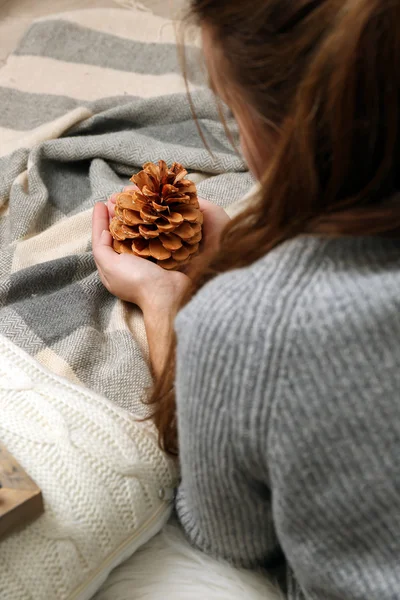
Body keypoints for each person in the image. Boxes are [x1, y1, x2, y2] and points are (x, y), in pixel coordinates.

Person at [92, 0, 400, 598]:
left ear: (283, 126)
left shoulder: (248, 329)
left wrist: (165, 301)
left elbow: (227, 537)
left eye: (231, 114)